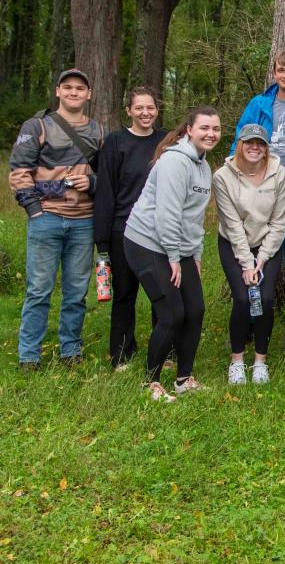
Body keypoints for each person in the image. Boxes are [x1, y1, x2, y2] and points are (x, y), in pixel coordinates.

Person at [123, 106, 221, 401]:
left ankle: (183, 378)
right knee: (172, 312)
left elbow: (194, 218)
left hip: (177, 245)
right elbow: (166, 215)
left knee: (195, 309)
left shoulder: (204, 167)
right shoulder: (174, 162)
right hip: (146, 242)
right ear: (189, 129)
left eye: (216, 129)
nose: (211, 134)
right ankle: (150, 382)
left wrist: (197, 257)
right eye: (204, 128)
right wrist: (175, 259)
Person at [10, 68, 104, 370]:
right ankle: (29, 356)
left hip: (84, 221)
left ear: (88, 94)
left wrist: (91, 184)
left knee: (77, 292)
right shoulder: (37, 125)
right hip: (46, 218)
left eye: (80, 88)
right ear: (58, 91)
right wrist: (35, 212)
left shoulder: (99, 132)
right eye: (68, 87)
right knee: (39, 290)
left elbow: (107, 179)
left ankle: (70, 352)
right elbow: (19, 172)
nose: (74, 92)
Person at [230, 50, 285, 326]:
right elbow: (240, 141)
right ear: (274, 73)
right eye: (281, 70)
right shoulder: (260, 104)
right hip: (258, 187)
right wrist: (236, 178)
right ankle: (249, 314)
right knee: (252, 254)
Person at [94, 86, 165, 370]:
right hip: (122, 228)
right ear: (129, 111)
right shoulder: (115, 142)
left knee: (161, 294)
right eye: (139, 108)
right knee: (125, 293)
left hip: (157, 229)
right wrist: (102, 241)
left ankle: (164, 349)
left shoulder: (166, 141)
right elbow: (105, 192)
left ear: (157, 110)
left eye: (150, 108)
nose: (145, 113)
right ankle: (121, 352)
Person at [212, 124, 285, 385]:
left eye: (260, 143)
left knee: (265, 299)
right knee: (244, 300)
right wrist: (247, 264)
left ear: (266, 147)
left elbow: (279, 222)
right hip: (234, 243)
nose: (254, 147)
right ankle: (237, 361)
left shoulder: (279, 174)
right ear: (240, 145)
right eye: (249, 142)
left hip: (267, 244)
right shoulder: (223, 176)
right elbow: (232, 225)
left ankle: (260, 362)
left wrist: (262, 258)